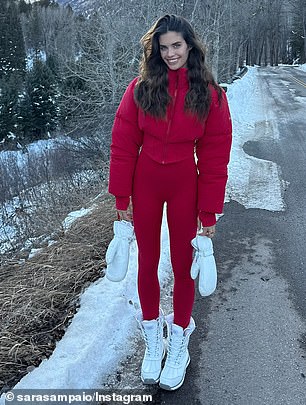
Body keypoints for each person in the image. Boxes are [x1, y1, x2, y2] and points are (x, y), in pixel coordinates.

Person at [108, 14, 232, 391]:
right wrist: (121, 196)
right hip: (145, 181)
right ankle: (153, 337)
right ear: (155, 51)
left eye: (176, 46)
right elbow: (123, 143)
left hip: (184, 183)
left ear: (190, 47)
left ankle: (179, 339)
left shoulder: (209, 94)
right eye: (163, 48)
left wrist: (208, 211)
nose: (170, 54)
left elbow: (214, 155)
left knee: (182, 264)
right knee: (146, 261)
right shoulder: (141, 88)